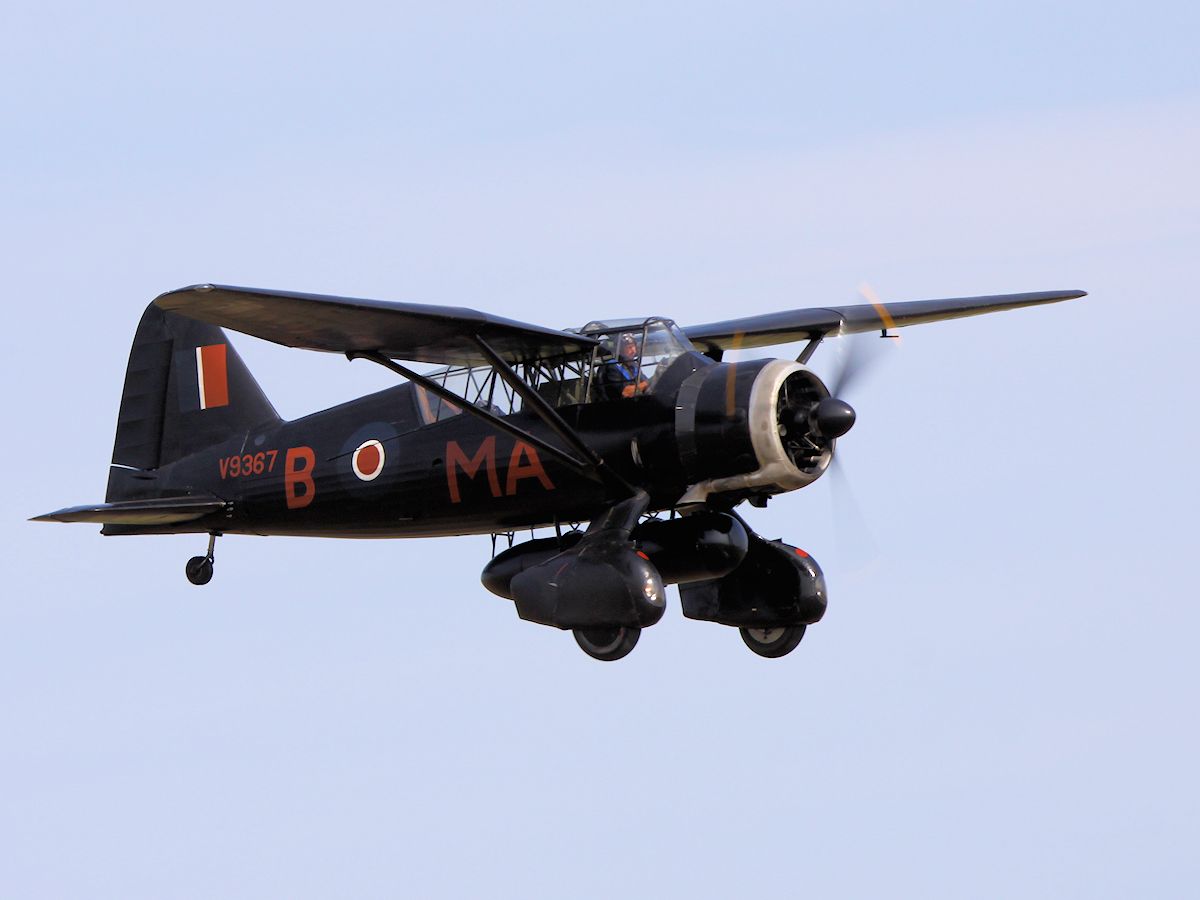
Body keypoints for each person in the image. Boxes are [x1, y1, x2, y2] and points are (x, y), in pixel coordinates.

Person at [599, 332, 649, 400]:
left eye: (634, 347)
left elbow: (645, 382)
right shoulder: (612, 366)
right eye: (629, 347)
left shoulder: (634, 366)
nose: (633, 351)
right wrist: (647, 383)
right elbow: (625, 392)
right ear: (621, 350)